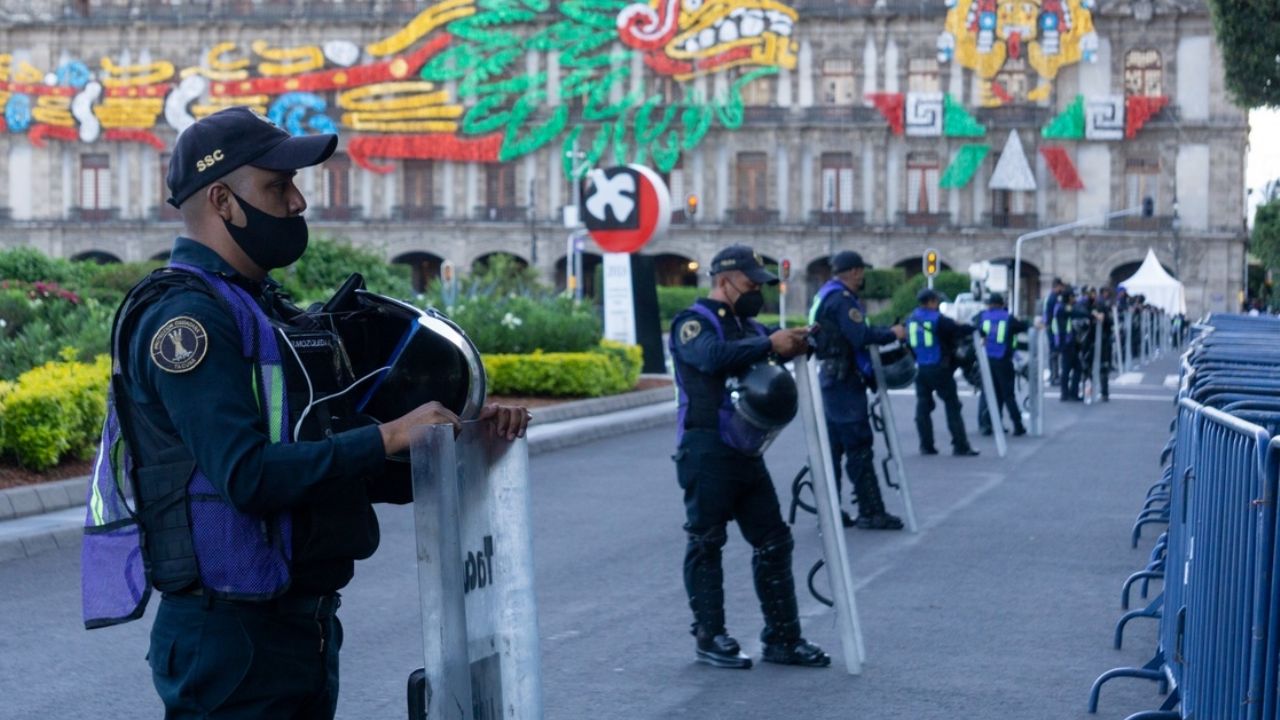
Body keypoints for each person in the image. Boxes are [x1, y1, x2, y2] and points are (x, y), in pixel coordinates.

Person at [102, 107, 530, 719]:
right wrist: (384, 437)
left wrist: (456, 439)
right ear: (222, 201)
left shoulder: (266, 312)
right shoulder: (187, 323)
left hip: (301, 627)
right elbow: (247, 476)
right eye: (278, 186)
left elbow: (333, 467)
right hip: (231, 640)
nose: (298, 202)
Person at [669, 244, 830, 670]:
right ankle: (710, 636)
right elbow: (711, 357)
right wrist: (769, 345)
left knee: (774, 540)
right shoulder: (693, 323)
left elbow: (769, 348)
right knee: (707, 541)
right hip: (705, 447)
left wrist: (799, 341)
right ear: (724, 282)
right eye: (750, 283)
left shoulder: (751, 327)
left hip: (745, 448)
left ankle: (783, 638)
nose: (757, 291)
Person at [809, 250, 907, 529]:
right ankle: (871, 510)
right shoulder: (842, 300)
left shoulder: (826, 295)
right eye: (861, 271)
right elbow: (859, 336)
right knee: (858, 445)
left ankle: (830, 511)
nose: (862, 276)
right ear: (854, 272)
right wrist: (892, 333)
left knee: (834, 448)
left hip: (832, 379)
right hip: (844, 381)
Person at [908, 288, 979, 456]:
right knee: (952, 405)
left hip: (920, 368)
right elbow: (959, 329)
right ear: (931, 302)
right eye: (936, 301)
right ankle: (960, 445)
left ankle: (926, 445)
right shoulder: (938, 319)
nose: (938, 304)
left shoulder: (911, 319)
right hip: (939, 367)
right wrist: (976, 329)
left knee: (923, 405)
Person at [974, 293, 1028, 436]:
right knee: (1007, 394)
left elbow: (974, 328)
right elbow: (1023, 326)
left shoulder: (981, 316)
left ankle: (986, 425)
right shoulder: (1008, 318)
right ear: (1002, 304)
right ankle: (1017, 425)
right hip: (1002, 359)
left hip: (986, 359)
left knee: (987, 392)